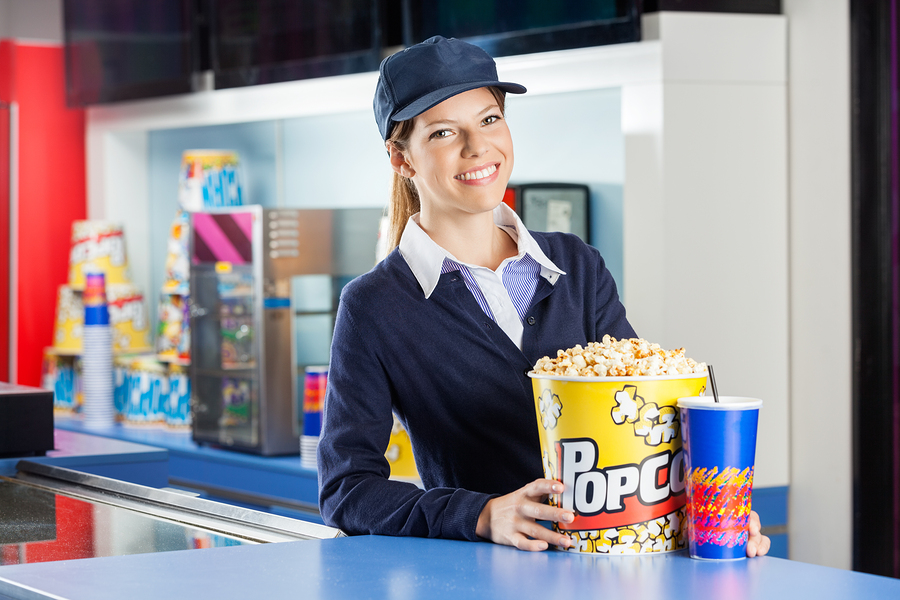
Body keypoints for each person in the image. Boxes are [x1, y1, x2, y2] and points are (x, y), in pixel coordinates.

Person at [317, 35, 770, 557]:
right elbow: (347, 489)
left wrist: (707, 508)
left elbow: (648, 420)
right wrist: (482, 514)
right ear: (401, 159)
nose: (476, 147)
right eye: (444, 132)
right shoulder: (377, 305)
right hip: (488, 581)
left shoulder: (577, 266)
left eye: (489, 120)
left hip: (623, 569)